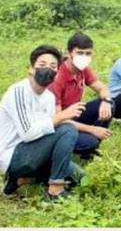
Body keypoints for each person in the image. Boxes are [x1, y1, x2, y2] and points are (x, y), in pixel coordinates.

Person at [0, 45, 86, 201]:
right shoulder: (19, 91)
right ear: (31, 69)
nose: (47, 69)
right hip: (14, 155)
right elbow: (28, 134)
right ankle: (55, 189)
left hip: (37, 152)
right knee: (68, 129)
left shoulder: (49, 97)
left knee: (78, 176)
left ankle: (21, 180)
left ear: (57, 73)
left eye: (53, 66)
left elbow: (49, 131)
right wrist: (61, 116)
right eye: (42, 64)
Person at [49, 32, 113, 160]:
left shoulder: (83, 69)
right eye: (80, 53)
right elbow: (58, 119)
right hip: (59, 124)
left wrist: (106, 101)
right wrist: (92, 129)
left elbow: (102, 88)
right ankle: (85, 145)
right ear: (69, 53)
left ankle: (91, 149)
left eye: (88, 53)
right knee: (89, 141)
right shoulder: (57, 78)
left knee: (109, 104)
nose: (84, 57)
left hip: (75, 114)